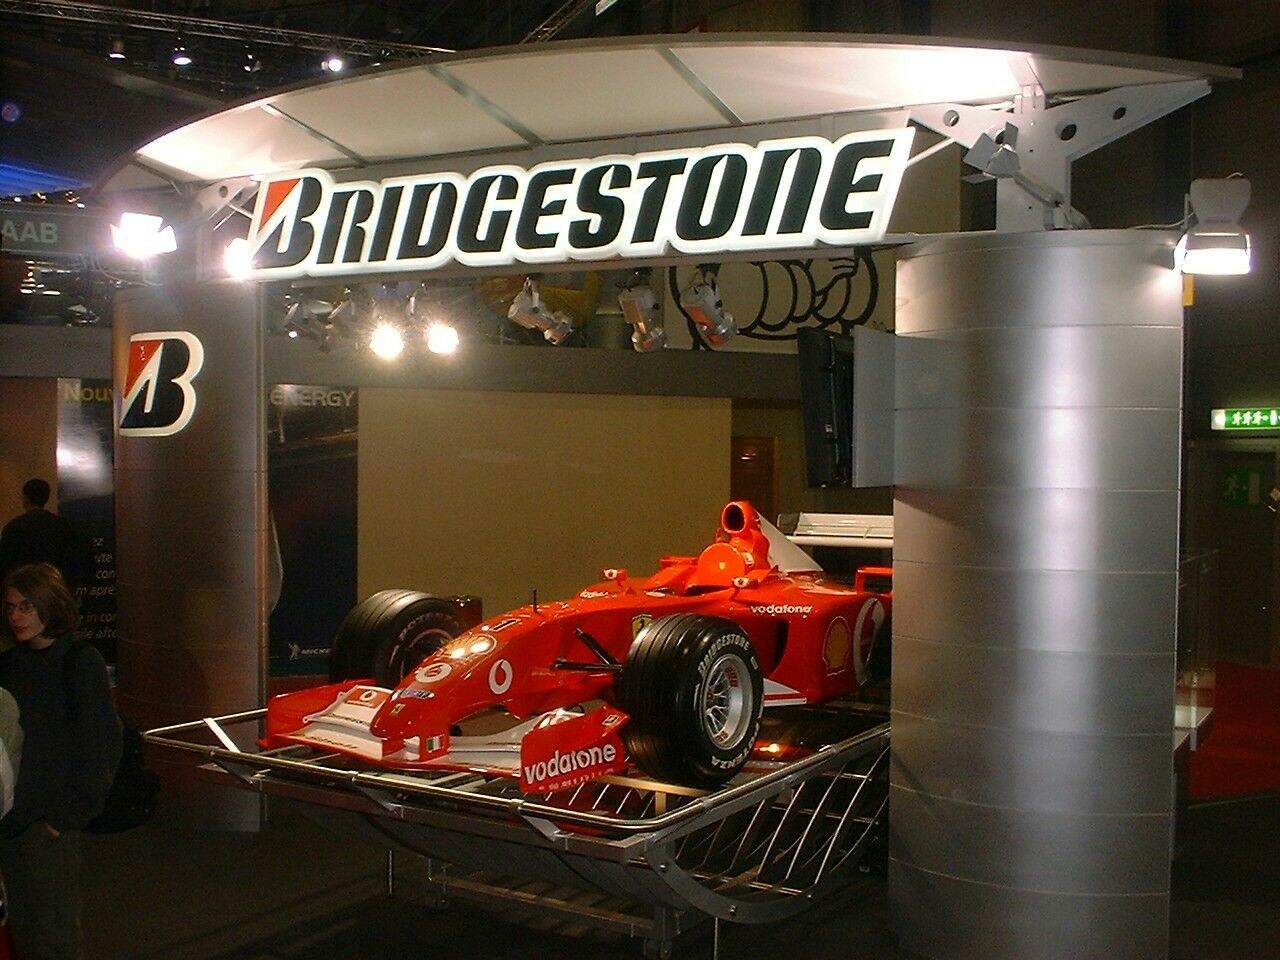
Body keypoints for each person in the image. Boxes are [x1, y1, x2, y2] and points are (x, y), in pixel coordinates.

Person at [0, 563, 121, 960]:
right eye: (12, 607)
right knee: (21, 928)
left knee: (53, 936)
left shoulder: (78, 661)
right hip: (11, 817)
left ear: (51, 605)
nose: (17, 616)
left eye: (27, 606)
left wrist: (63, 818)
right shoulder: (11, 665)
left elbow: (101, 744)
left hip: (48, 821)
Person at [0, 481, 83, 587]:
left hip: (24, 587)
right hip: (54, 587)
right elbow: (73, 562)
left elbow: (5, 564)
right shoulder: (62, 526)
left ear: (26, 498)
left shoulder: (13, 527)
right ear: (47, 498)